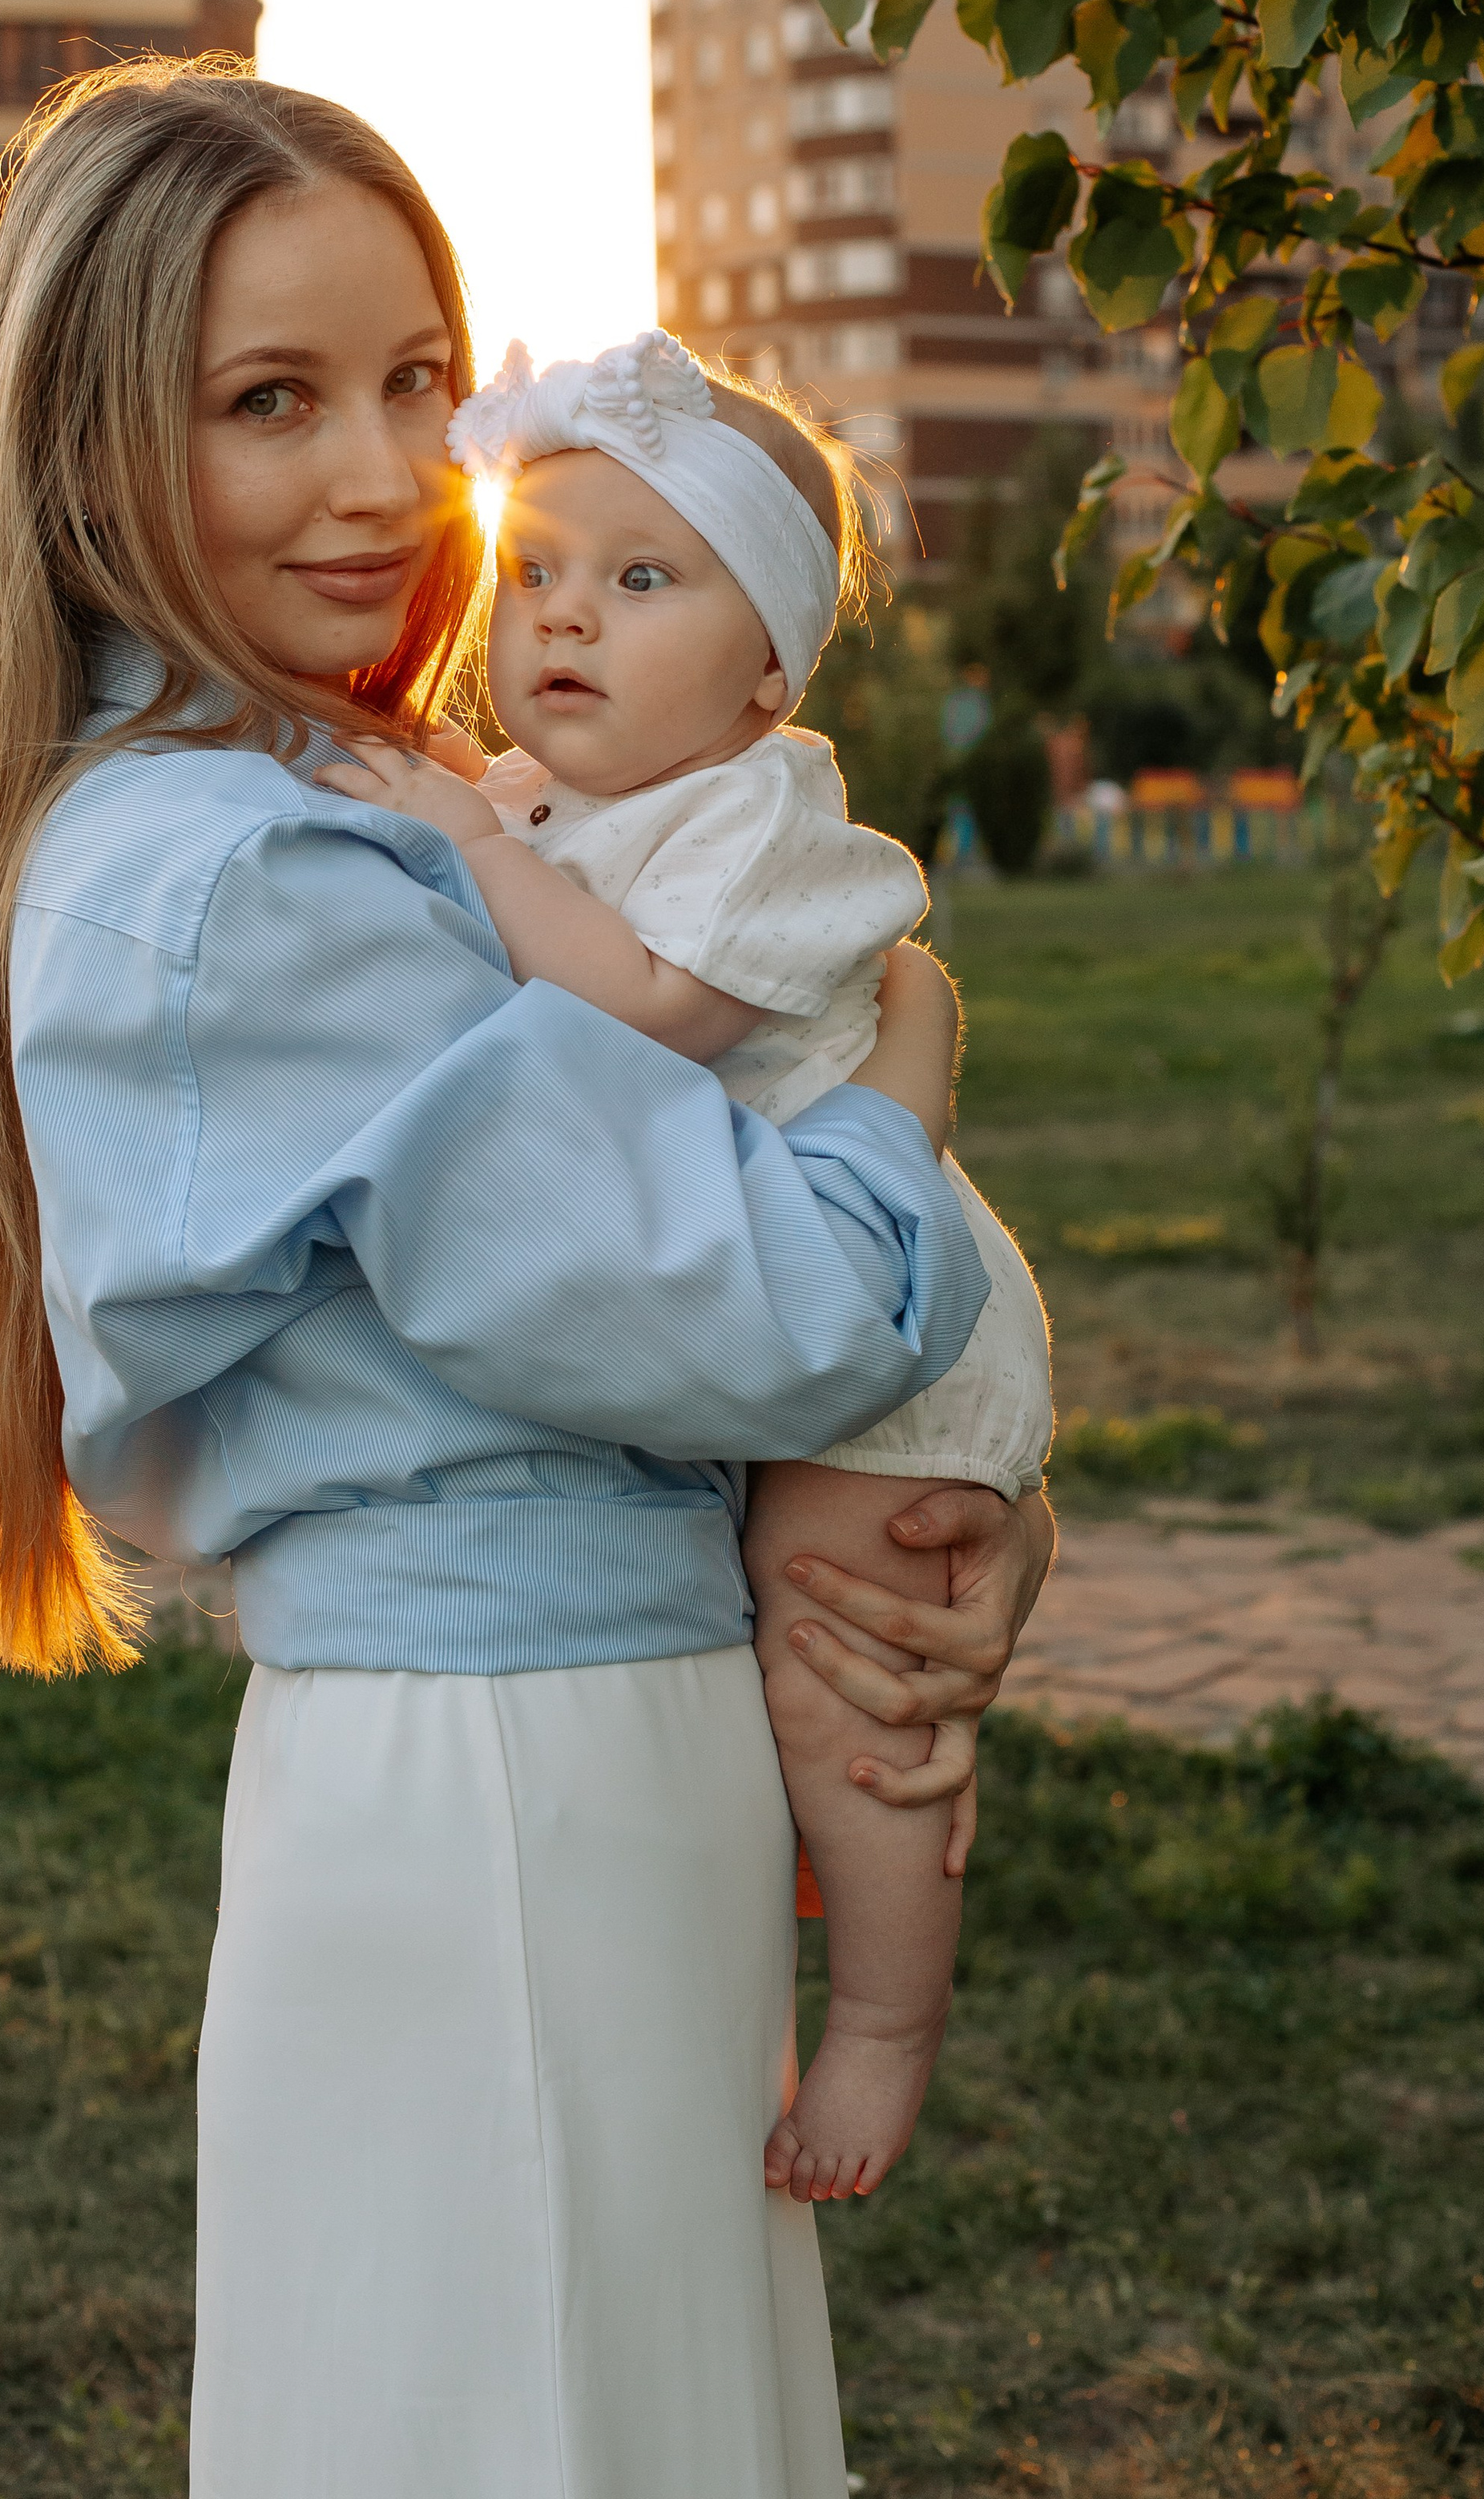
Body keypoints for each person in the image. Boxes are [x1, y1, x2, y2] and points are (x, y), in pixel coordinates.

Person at [0, 59, 1056, 2499]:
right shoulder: (253, 873)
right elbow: (792, 1310)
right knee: (546, 2415)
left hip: (561, 1742)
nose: (391, 477)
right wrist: (910, 1066)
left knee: (548, 2404)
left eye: (418, 381)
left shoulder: (326, 798)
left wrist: (950, 1531)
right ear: (94, 454)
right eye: (270, 401)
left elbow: (694, 1320)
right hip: (518, 1769)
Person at [317, 330, 1054, 2210]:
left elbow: (641, 1017)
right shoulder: (570, 800)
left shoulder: (760, 822)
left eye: (642, 580)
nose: (564, 618)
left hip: (895, 1335)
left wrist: (470, 840)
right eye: (535, 571)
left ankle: (883, 2023)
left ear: (768, 667)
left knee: (850, 1686)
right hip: (791, 1292)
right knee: (806, 1676)